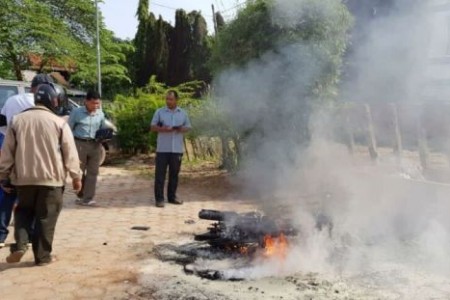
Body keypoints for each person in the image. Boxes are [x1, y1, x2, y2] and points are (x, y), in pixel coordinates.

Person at [0, 83, 81, 266]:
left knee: (23, 212)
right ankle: (43, 257)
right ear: (53, 100)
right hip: (51, 180)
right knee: (46, 217)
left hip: (23, 179)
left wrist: (3, 175)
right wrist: (76, 177)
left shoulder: (17, 120)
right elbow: (70, 152)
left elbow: (7, 152)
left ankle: (20, 245)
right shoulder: (59, 122)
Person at [0, 74, 54, 248]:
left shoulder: (11, 100)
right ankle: (30, 236)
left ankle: (1, 235)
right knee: (33, 197)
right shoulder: (43, 105)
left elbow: (3, 126)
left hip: (12, 152)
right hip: (34, 157)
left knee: (6, 195)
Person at [150, 90, 191, 207]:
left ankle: (172, 197)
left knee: (174, 174)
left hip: (177, 149)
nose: (168, 101)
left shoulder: (183, 113)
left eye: (171, 99)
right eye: (167, 99)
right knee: (160, 175)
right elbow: (152, 127)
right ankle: (159, 199)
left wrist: (181, 129)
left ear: (176, 100)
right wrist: (163, 129)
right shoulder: (159, 112)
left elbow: (188, 127)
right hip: (162, 149)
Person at [68, 91, 106, 207]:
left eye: (98, 104)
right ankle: (81, 194)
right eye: (94, 103)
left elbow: (102, 128)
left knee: (93, 172)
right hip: (80, 144)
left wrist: (104, 137)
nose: (96, 106)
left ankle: (88, 198)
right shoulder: (76, 112)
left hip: (95, 145)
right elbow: (68, 129)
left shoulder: (100, 114)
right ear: (87, 101)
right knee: (79, 171)